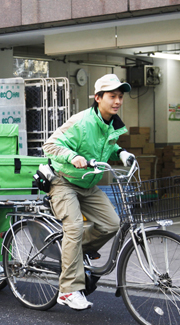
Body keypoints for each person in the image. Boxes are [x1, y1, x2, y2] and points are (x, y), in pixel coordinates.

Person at [42, 74, 135, 311]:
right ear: (98, 98)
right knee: (73, 227)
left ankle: (72, 253)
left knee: (112, 223)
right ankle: (68, 290)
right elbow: (50, 145)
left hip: (87, 184)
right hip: (63, 181)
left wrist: (121, 153)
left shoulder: (110, 123)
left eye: (120, 97)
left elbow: (107, 145)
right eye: (112, 96)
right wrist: (73, 156)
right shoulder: (81, 122)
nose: (117, 101)